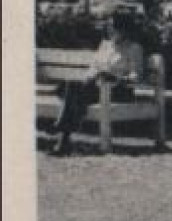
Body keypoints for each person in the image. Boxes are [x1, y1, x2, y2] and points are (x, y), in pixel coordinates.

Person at [50, 12, 145, 156]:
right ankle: (63, 140)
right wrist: (91, 76)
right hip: (96, 88)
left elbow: (135, 76)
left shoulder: (134, 48)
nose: (109, 29)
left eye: (112, 26)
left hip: (118, 91)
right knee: (75, 92)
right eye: (108, 26)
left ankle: (61, 135)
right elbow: (93, 67)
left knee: (73, 92)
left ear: (124, 28)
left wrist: (115, 77)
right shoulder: (105, 45)